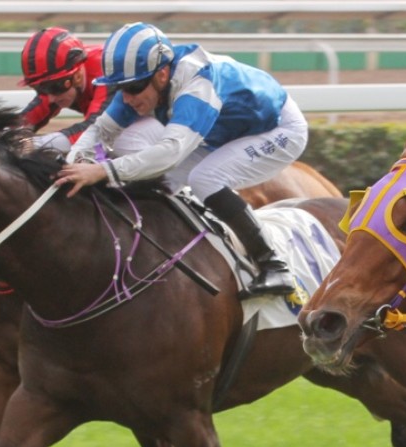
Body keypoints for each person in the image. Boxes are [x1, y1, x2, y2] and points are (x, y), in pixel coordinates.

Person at [55, 22, 307, 304]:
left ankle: (274, 265)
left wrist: (102, 170)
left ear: (162, 74)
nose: (127, 98)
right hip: (223, 132)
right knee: (158, 184)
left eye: (134, 88)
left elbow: (169, 153)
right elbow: (101, 130)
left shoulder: (197, 87)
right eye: (119, 89)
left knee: (205, 179)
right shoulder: (141, 80)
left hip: (277, 130)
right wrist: (72, 163)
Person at [18, 27, 113, 153]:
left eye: (54, 87)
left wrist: (31, 144)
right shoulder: (62, 78)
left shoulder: (106, 72)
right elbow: (22, 124)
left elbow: (94, 133)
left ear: (78, 75)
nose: (50, 98)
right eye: (40, 88)